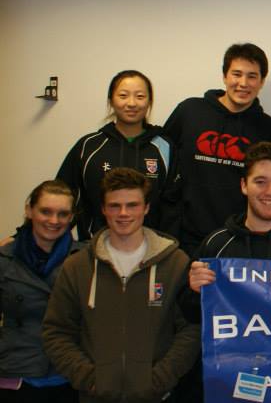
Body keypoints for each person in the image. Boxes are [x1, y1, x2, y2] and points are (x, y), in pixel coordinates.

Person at [180, 142, 271, 402]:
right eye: (260, 182)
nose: (270, 192)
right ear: (244, 185)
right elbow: (190, 314)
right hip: (233, 383)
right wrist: (194, 290)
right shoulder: (216, 244)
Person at [43, 168, 198, 403]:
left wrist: (158, 380)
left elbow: (190, 330)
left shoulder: (176, 263)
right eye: (115, 206)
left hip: (157, 397)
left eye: (132, 205)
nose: (123, 213)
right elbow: (56, 331)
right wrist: (89, 379)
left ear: (146, 208)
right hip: (95, 397)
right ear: (103, 209)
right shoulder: (77, 266)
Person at [163, 42, 271, 253]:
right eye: (237, 74)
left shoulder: (267, 128)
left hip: (237, 239)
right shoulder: (189, 111)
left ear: (261, 82)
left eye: (252, 76)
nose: (243, 83)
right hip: (183, 237)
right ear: (225, 76)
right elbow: (162, 161)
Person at [57, 70, 177, 241]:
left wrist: (168, 247)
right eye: (123, 96)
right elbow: (61, 197)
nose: (131, 103)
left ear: (149, 101)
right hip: (94, 246)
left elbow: (173, 207)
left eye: (140, 96)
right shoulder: (89, 146)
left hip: (150, 249)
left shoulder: (165, 148)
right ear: (111, 100)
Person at [1, 181, 79, 403]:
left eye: (63, 214)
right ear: (29, 210)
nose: (54, 221)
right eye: (46, 211)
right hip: (16, 373)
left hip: (69, 375)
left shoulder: (84, 260)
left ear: (72, 217)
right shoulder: (5, 259)